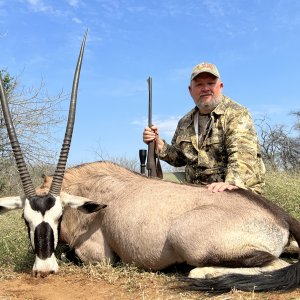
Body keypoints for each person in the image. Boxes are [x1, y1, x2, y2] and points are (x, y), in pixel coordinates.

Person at [143, 62, 265, 194]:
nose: (205, 88)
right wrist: (159, 144)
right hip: (198, 193)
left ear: (221, 86)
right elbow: (179, 158)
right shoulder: (184, 122)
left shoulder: (237, 114)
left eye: (211, 83)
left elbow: (242, 157)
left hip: (235, 191)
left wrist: (231, 183)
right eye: (199, 84)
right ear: (190, 90)